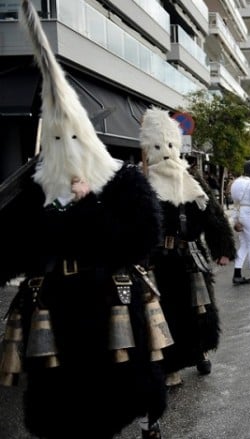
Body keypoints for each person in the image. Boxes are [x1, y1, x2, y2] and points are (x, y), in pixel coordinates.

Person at [0, 2, 167, 437]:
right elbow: (12, 251)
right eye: (58, 139)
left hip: (107, 302)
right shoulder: (35, 191)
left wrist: (90, 206)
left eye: (74, 137)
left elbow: (142, 238)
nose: (67, 147)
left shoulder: (121, 180)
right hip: (52, 309)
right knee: (60, 415)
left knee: (109, 406)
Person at [140, 108, 236, 388]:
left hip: (192, 256)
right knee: (167, 314)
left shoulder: (192, 179)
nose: (167, 152)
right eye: (160, 146)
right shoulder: (144, 182)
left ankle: (200, 352)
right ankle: (170, 365)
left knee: (201, 310)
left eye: (170, 145)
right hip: (159, 261)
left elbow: (214, 215)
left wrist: (222, 247)